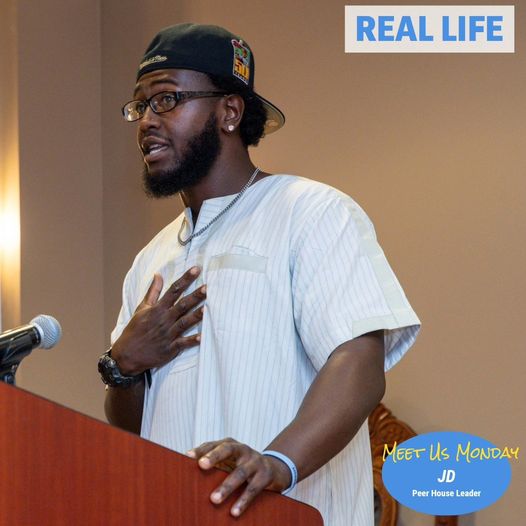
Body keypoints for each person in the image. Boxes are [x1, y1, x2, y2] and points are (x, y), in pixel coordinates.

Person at [100, 23, 420, 526]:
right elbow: (137, 428)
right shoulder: (150, 260)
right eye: (139, 107)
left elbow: (359, 363)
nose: (146, 122)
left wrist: (277, 463)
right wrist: (123, 366)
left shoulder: (311, 212)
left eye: (166, 100)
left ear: (229, 111)